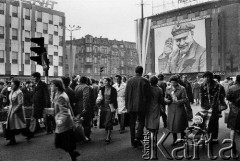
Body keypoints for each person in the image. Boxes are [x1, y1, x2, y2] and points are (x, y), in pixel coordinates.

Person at [51, 79, 80, 161]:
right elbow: (69, 107)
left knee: (59, 143)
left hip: (63, 124)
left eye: (52, 85)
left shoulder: (61, 97)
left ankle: (73, 154)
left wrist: (59, 121)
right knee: (65, 143)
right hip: (65, 122)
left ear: (56, 87)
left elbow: (64, 112)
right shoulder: (60, 94)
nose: (50, 87)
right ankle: (73, 154)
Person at [125, 66, 151, 148]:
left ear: (135, 71)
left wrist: (127, 105)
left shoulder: (129, 81)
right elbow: (148, 95)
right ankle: (138, 136)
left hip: (131, 105)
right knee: (141, 121)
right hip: (141, 105)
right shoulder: (145, 81)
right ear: (142, 72)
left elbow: (126, 94)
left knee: (132, 124)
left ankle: (133, 142)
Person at [200, 71, 225, 144]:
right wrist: (202, 106)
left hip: (215, 107)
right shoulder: (203, 85)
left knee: (214, 122)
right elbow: (201, 95)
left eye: (208, 76)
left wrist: (214, 106)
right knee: (206, 122)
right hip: (206, 107)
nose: (207, 78)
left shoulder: (217, 85)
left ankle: (214, 138)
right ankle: (208, 137)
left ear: (211, 77)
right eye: (205, 77)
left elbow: (217, 97)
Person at [5, 80, 32, 145]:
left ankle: (28, 134)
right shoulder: (12, 91)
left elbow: (20, 103)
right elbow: (11, 101)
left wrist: (14, 110)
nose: (11, 85)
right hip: (11, 110)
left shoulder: (19, 92)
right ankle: (12, 139)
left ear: (17, 85)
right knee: (11, 125)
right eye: (11, 84)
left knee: (20, 124)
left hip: (17, 112)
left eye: (13, 84)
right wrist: (9, 107)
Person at [165, 75, 188, 146]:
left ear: (177, 82)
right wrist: (166, 100)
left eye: (174, 83)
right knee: (172, 125)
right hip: (171, 108)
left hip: (179, 108)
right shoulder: (168, 88)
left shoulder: (182, 88)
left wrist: (178, 101)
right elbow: (165, 97)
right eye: (171, 83)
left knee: (180, 124)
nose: (173, 84)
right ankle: (174, 140)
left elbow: (185, 99)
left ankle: (182, 139)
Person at [145, 76, 164, 158]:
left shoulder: (148, 88)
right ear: (157, 82)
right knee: (155, 123)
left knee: (149, 122)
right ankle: (154, 139)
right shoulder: (159, 89)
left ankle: (149, 139)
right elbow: (161, 100)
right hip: (156, 107)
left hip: (148, 107)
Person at [97, 77, 117, 143]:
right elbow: (99, 97)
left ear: (109, 82)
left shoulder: (113, 89)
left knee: (108, 121)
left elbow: (115, 99)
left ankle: (108, 137)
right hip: (103, 107)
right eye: (104, 81)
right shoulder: (101, 89)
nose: (105, 82)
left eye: (106, 81)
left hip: (110, 107)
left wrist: (115, 108)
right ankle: (108, 132)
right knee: (105, 122)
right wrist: (98, 104)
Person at [74, 76, 93, 141]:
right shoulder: (86, 87)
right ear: (86, 81)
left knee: (79, 121)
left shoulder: (76, 87)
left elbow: (75, 97)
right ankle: (86, 136)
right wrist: (85, 107)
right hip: (84, 106)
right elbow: (86, 98)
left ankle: (79, 136)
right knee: (87, 122)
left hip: (77, 106)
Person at [226, 75, 240, 157]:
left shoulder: (231, 88)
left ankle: (232, 146)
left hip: (235, 110)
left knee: (233, 129)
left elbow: (228, 98)